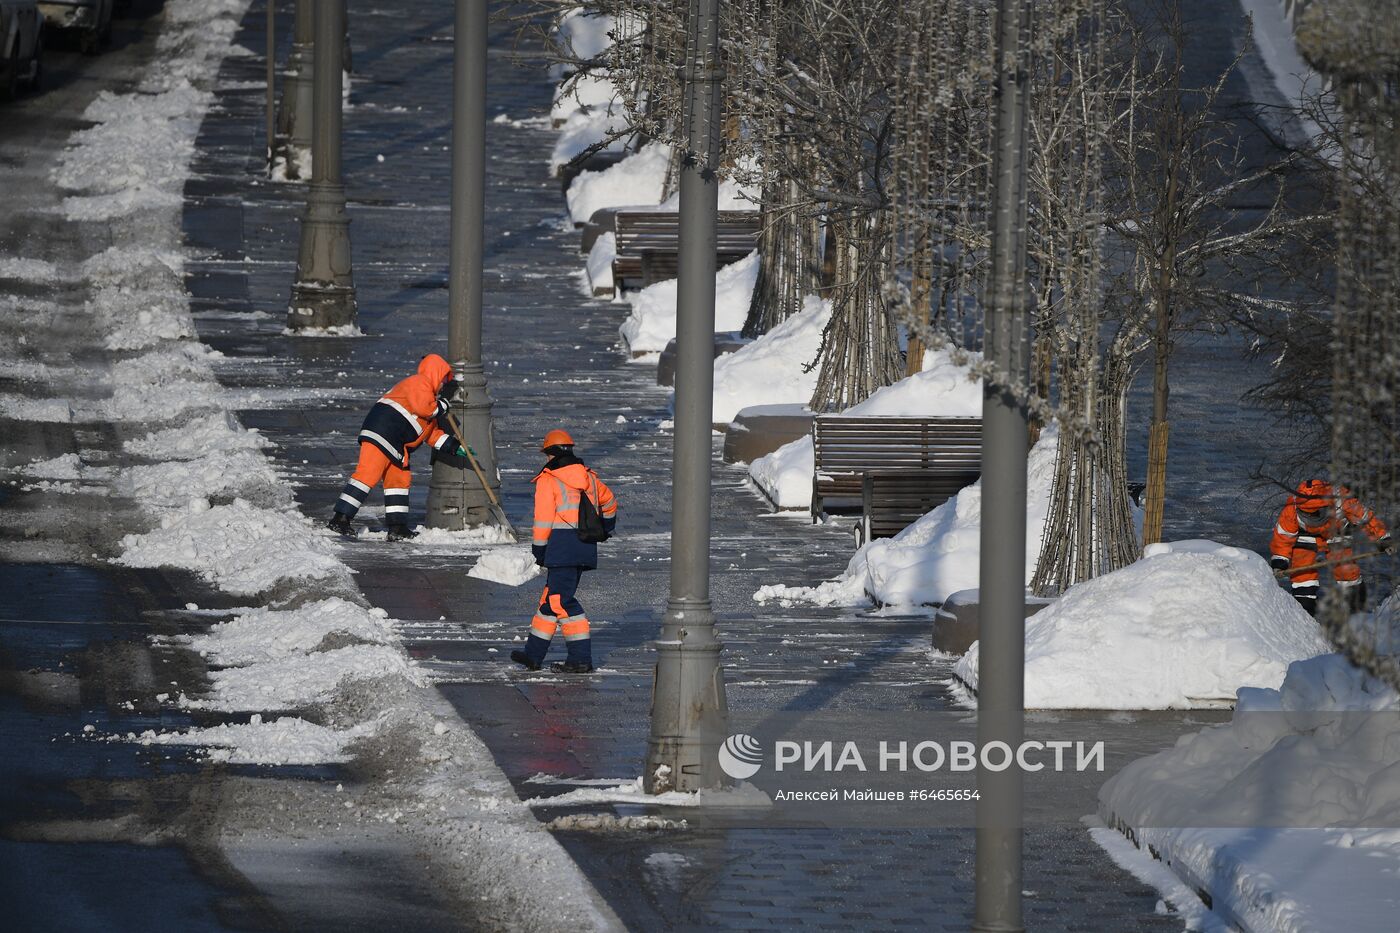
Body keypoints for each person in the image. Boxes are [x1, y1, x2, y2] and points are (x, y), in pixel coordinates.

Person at [327, 353, 474, 540]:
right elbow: (425, 409)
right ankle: (340, 519)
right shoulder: (419, 383)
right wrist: (443, 405)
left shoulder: (428, 397)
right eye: (444, 379)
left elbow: (431, 434)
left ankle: (397, 527)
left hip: (396, 444)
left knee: (399, 481)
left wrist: (454, 446)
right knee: (367, 474)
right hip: (381, 434)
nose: (444, 384)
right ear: (436, 373)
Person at [510, 429, 618, 673]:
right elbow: (610, 501)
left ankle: (581, 658)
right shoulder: (589, 477)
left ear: (550, 454)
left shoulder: (549, 479)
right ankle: (533, 655)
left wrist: (539, 549)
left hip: (560, 546)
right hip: (584, 545)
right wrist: (606, 528)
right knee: (549, 601)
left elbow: (543, 520)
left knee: (561, 601)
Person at [1270, 478, 1393, 615]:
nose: (1310, 516)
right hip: (1306, 535)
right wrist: (1280, 561)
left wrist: (1382, 538)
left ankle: (1354, 605)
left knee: (1345, 568)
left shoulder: (1343, 501)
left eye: (1314, 514)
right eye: (1306, 514)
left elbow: (1366, 519)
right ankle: (1304, 605)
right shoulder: (1292, 508)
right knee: (1301, 567)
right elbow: (1283, 536)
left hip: (1336, 532)